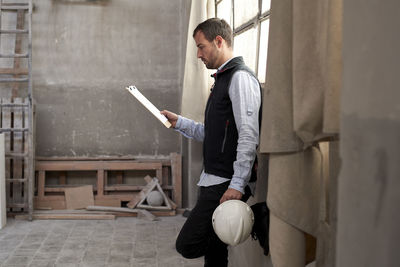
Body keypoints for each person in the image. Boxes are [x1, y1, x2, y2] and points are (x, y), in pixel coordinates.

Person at [161, 18, 261, 267]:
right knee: (216, 252)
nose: (198, 54)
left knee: (188, 244)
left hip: (225, 183)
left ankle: (256, 221)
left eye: (201, 46)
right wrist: (180, 123)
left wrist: (237, 184)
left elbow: (249, 135)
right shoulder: (222, 79)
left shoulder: (240, 79)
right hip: (214, 179)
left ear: (219, 41)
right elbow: (215, 133)